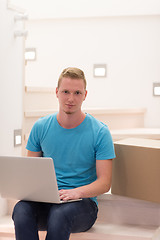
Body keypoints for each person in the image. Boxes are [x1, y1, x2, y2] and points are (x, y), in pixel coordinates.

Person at [12, 67, 116, 240]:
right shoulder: (41, 127)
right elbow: (30, 174)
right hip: (47, 202)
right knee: (21, 210)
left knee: (60, 215)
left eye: (77, 93)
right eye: (65, 91)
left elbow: (104, 183)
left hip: (82, 205)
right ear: (56, 92)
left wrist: (77, 192)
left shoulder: (100, 132)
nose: (71, 98)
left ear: (85, 95)